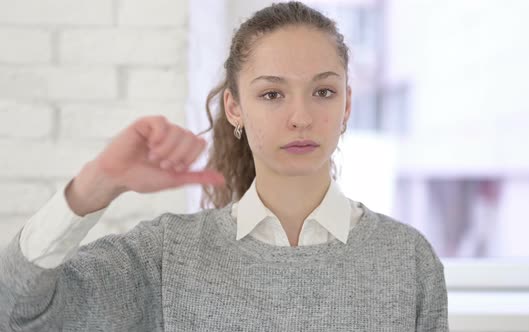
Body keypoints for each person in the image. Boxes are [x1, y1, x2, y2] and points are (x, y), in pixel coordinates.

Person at [0, 1, 448, 331]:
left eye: (323, 92)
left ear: (347, 103)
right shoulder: (166, 256)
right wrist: (97, 183)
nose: (301, 116)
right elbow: (16, 309)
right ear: (234, 108)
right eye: (272, 94)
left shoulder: (407, 259)